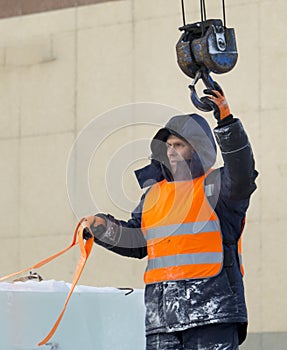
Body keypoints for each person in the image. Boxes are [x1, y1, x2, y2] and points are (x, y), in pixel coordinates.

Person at [82, 85, 258, 350]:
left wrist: (227, 123)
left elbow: (242, 173)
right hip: (162, 321)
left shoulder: (217, 186)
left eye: (179, 145)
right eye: (168, 145)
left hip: (211, 315)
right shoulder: (153, 195)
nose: (172, 150)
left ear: (197, 148)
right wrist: (103, 229)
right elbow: (138, 241)